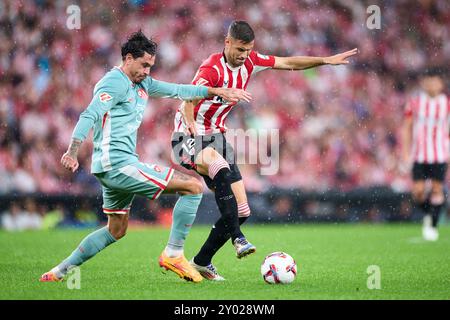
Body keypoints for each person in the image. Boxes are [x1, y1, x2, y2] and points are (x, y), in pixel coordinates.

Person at [39, 31, 251, 283]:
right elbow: (90, 114)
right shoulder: (114, 82)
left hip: (114, 167)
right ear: (128, 58)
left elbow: (178, 90)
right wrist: (72, 151)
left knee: (116, 230)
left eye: (151, 66)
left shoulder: (143, 84)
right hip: (117, 164)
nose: (147, 71)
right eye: (143, 65)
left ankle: (58, 272)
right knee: (193, 187)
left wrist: (215, 91)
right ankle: (173, 253)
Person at [171, 20, 357, 280]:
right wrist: (191, 128)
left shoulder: (250, 62)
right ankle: (238, 238)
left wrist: (325, 60)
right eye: (239, 49)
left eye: (247, 50)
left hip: (217, 137)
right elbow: (186, 103)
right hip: (187, 136)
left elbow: (287, 62)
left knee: (243, 211)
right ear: (227, 42)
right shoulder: (210, 69)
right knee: (220, 168)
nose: (243, 55)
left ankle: (202, 261)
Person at [402, 68, 449, 241]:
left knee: (437, 189)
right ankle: (429, 214)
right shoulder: (414, 103)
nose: (432, 85)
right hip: (419, 154)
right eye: (429, 81)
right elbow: (407, 128)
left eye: (435, 81)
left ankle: (433, 224)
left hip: (440, 154)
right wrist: (406, 152)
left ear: (441, 84)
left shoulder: (447, 104)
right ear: (423, 83)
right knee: (418, 192)